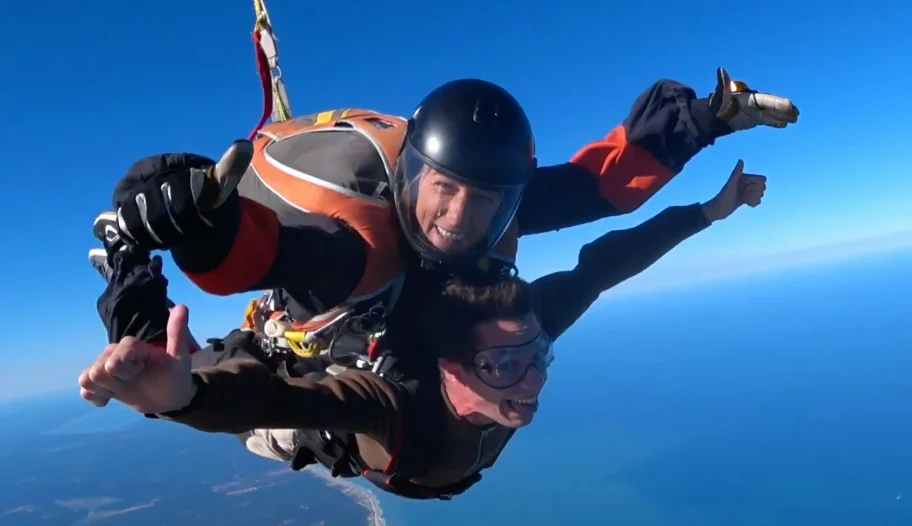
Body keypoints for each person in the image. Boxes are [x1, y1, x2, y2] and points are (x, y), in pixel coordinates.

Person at [81, 159, 766, 500]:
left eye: (535, 357)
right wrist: (182, 401)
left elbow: (604, 266)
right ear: (447, 366)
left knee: (180, 369)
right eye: (503, 368)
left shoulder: (519, 328)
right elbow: (277, 401)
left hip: (386, 376)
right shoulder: (397, 406)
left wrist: (708, 210)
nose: (531, 381)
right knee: (173, 362)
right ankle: (125, 263)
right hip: (314, 412)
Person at [95, 68, 797, 367]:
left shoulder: (499, 205)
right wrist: (189, 215)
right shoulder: (355, 249)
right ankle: (124, 273)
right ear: (411, 177)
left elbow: (600, 187)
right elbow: (268, 252)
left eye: (487, 199)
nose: (460, 219)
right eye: (446, 190)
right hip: (322, 343)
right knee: (177, 369)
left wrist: (708, 119)